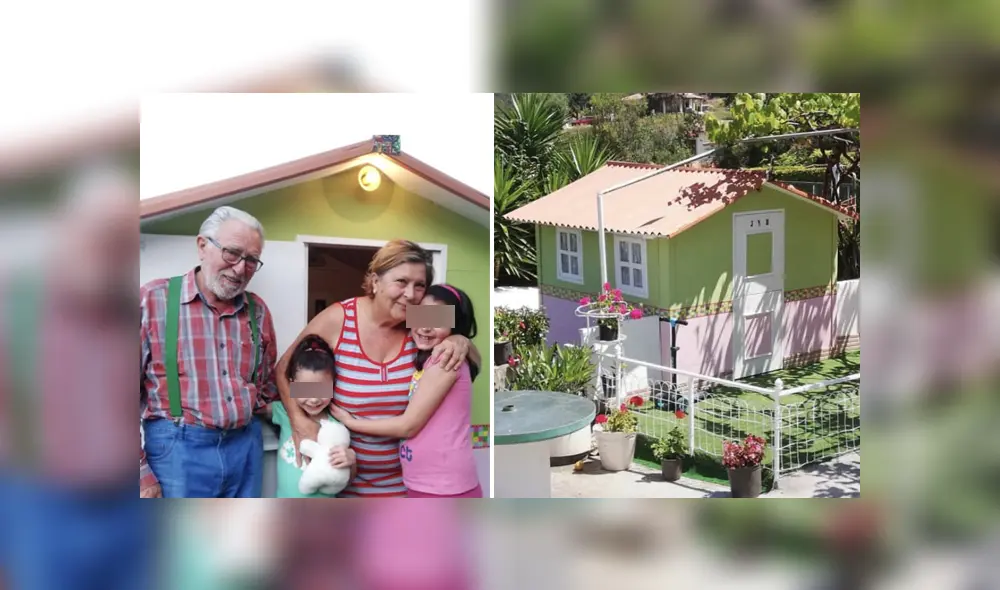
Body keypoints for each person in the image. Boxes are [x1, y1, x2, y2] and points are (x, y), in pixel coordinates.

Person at [275, 239, 479, 498]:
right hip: (343, 485)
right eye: (401, 282)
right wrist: (300, 422)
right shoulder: (340, 320)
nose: (411, 294)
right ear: (375, 282)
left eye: (420, 285)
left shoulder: (418, 325)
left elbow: (470, 356)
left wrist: (459, 340)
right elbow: (285, 369)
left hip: (411, 487)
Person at [140, 206, 279, 498]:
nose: (240, 268)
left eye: (252, 260)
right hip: (177, 451)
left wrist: (319, 399)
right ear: (202, 246)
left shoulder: (259, 311)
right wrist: (140, 473)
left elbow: (270, 384)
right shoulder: (153, 300)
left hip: (245, 448)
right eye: (232, 252)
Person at [332, 283, 482, 498]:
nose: (425, 327)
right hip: (429, 483)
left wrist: (350, 422)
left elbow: (408, 426)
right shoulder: (431, 355)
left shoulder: (445, 359)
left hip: (442, 486)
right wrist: (461, 340)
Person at [265, 334, 356, 498]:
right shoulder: (282, 412)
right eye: (305, 389)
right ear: (292, 385)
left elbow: (346, 480)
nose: (314, 399)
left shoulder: (337, 425)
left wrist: (351, 460)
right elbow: (253, 408)